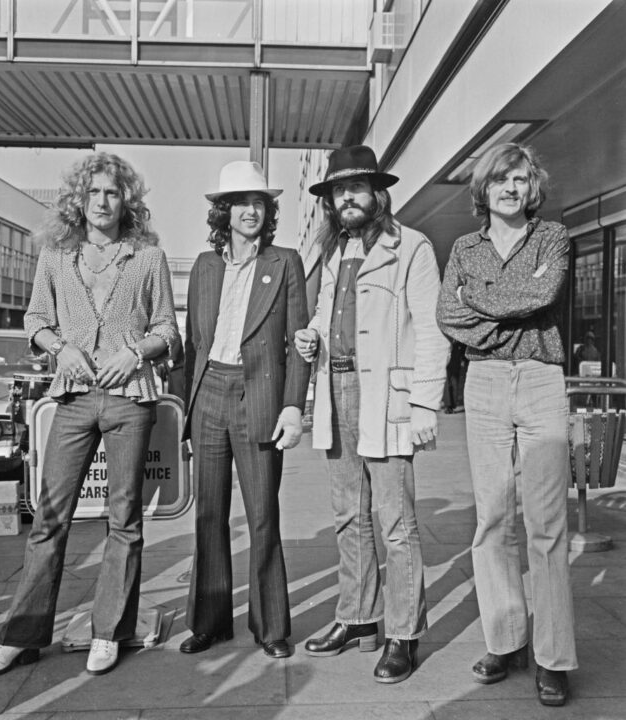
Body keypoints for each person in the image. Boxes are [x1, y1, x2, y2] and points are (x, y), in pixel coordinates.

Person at [0, 152, 180, 679]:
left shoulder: (148, 257)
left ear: (125, 200)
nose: (103, 202)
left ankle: (109, 631)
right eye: (94, 194)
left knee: (123, 519)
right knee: (49, 517)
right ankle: (22, 637)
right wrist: (59, 347)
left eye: (112, 193)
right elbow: (35, 318)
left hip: (132, 399)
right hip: (71, 398)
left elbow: (169, 330)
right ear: (78, 203)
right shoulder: (56, 257)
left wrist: (137, 352)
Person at [294, 145, 448, 683]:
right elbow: (324, 311)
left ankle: (403, 633)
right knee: (347, 517)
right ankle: (357, 617)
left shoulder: (412, 248)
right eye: (338, 190)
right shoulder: (336, 251)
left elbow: (431, 329)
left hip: (387, 396)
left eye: (356, 188)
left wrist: (426, 401)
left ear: (378, 192)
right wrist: (312, 335)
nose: (346, 198)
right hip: (337, 390)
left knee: (397, 524)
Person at [436, 142, 578, 707]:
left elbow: (544, 292)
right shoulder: (465, 248)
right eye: (501, 180)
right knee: (493, 518)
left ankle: (553, 657)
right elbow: (449, 315)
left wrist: (480, 302)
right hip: (487, 381)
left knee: (547, 524)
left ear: (532, 186)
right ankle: (506, 638)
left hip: (541, 380)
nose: (511, 189)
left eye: (520, 179)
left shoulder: (554, 238)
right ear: (484, 189)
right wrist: (500, 311)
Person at [180, 161, 310, 660]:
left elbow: (297, 342)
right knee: (210, 514)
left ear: (268, 210)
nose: (250, 210)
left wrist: (293, 406)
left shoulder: (285, 262)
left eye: (258, 202)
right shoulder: (204, 266)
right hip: (209, 392)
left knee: (262, 516)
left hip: (259, 396)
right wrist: (186, 413)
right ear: (223, 212)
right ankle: (209, 622)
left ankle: (271, 627)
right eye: (240, 202)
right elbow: (193, 345)